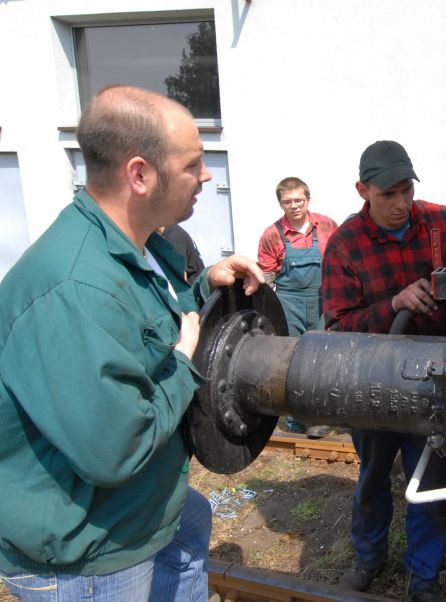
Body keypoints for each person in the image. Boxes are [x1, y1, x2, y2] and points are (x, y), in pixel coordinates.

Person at [0, 85, 265, 602]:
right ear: (139, 174)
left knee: (193, 521)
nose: (208, 176)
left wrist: (203, 286)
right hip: (89, 548)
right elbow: (115, 451)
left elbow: (139, 324)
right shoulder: (74, 291)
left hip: (135, 508)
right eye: (193, 165)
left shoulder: (135, 247)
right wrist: (184, 364)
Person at [323, 141, 446, 602]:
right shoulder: (345, 245)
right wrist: (394, 304)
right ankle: (368, 558)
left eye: (407, 191)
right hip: (371, 376)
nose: (401, 204)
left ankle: (424, 579)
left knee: (431, 479)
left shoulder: (445, 222)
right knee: (373, 476)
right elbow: (338, 327)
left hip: (435, 374)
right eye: (388, 195)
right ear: (363, 190)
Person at [257, 177, 338, 438]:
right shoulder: (271, 235)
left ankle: (321, 415)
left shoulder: (327, 225)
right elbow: (267, 277)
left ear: (308, 199)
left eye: (298, 200)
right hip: (288, 302)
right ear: (280, 203)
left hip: (321, 300)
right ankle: (294, 416)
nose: (293, 206)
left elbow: (341, 260)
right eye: (287, 202)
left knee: (322, 357)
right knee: (291, 359)